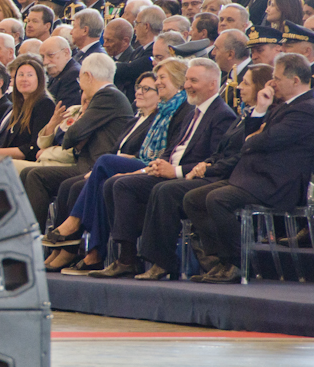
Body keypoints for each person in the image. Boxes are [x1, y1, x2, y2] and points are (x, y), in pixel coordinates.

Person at [91, 58, 236, 278]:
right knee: (117, 184)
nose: (187, 85)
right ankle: (127, 258)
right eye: (187, 80)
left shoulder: (222, 115)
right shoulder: (192, 112)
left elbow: (212, 161)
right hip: (171, 172)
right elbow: (175, 147)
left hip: (196, 178)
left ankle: (163, 262)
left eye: (193, 81)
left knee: (164, 191)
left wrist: (175, 171)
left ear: (212, 84)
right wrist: (160, 163)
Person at [42, 58, 191, 272]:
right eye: (140, 87)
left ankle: (78, 228)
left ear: (177, 80)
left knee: (105, 167)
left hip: (154, 167)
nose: (141, 91)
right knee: (88, 182)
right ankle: (87, 252)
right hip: (139, 163)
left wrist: (127, 163)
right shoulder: (159, 113)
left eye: (159, 79)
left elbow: (166, 151)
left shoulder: (177, 111)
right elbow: (115, 148)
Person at [184, 53, 314, 283]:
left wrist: (254, 138)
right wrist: (261, 109)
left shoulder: (306, 109)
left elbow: (266, 140)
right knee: (193, 198)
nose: (272, 83)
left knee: (218, 199)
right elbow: (252, 137)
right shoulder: (283, 106)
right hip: (253, 178)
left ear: (295, 80)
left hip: (277, 184)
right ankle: (218, 260)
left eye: (277, 78)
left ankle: (237, 263)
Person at [136, 64, 273, 280]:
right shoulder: (244, 116)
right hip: (216, 172)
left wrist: (208, 168)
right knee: (161, 189)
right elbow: (220, 151)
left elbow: (240, 155)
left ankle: (171, 262)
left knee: (168, 191)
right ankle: (212, 262)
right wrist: (206, 164)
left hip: (230, 178)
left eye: (245, 83)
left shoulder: (241, 116)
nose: (239, 88)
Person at [21, 53, 135, 228]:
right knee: (28, 173)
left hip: (95, 165)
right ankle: (35, 233)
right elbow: (73, 136)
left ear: (88, 76)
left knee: (36, 176)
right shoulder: (108, 95)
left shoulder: (106, 96)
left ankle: (39, 235)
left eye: (79, 79)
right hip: (86, 162)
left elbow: (72, 135)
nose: (79, 85)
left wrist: (76, 136)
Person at [40, 37, 82, 107]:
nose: (45, 62)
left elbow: (63, 109)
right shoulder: (56, 73)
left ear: (66, 53)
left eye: (50, 55)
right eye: (42, 57)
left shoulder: (73, 74)